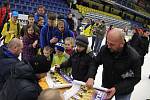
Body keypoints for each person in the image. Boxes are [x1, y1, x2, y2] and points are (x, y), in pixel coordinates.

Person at [87, 28, 142, 100]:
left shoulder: (134, 57)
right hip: (106, 85)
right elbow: (95, 62)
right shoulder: (105, 49)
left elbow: (136, 78)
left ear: (121, 44)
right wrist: (91, 76)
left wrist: (117, 88)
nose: (108, 46)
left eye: (112, 44)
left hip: (124, 91)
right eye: (107, 42)